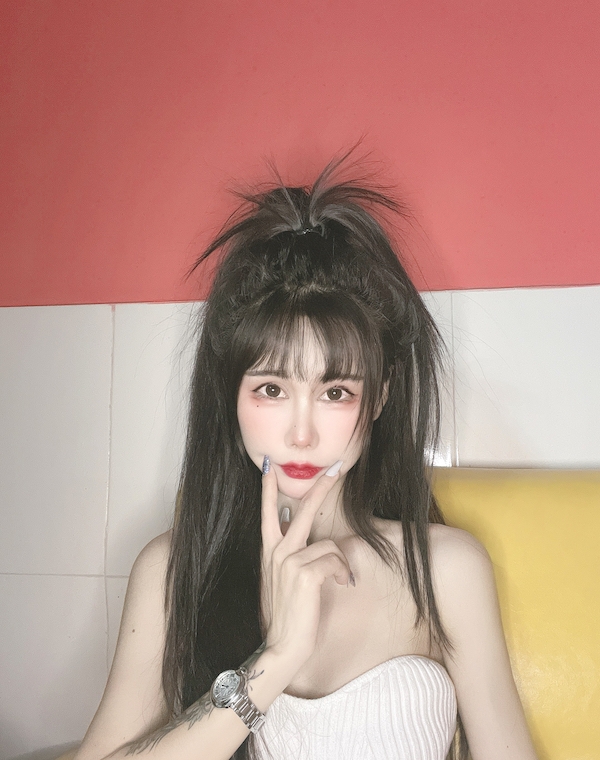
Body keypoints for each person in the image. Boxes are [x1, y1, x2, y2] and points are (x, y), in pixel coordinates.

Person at [73, 155, 539, 760]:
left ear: (380, 397)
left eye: (335, 392)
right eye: (271, 389)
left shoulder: (445, 569)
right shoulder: (173, 570)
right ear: (231, 396)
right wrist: (275, 661)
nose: (300, 434)